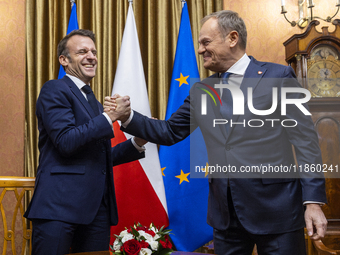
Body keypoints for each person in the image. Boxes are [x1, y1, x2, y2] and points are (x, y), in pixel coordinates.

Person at [105, 10, 328, 255]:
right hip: (226, 217)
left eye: (205, 42)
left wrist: (313, 202)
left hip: (277, 212)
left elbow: (306, 143)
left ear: (232, 38)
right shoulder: (203, 89)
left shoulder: (278, 76)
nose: (200, 50)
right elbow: (169, 131)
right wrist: (128, 117)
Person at [24, 29, 146, 255]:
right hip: (58, 208)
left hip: (96, 210)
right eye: (82, 52)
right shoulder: (55, 89)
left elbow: (100, 157)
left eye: (94, 51)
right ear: (64, 60)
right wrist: (110, 117)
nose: (91, 56)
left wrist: (137, 142)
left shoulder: (93, 101)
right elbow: (66, 141)